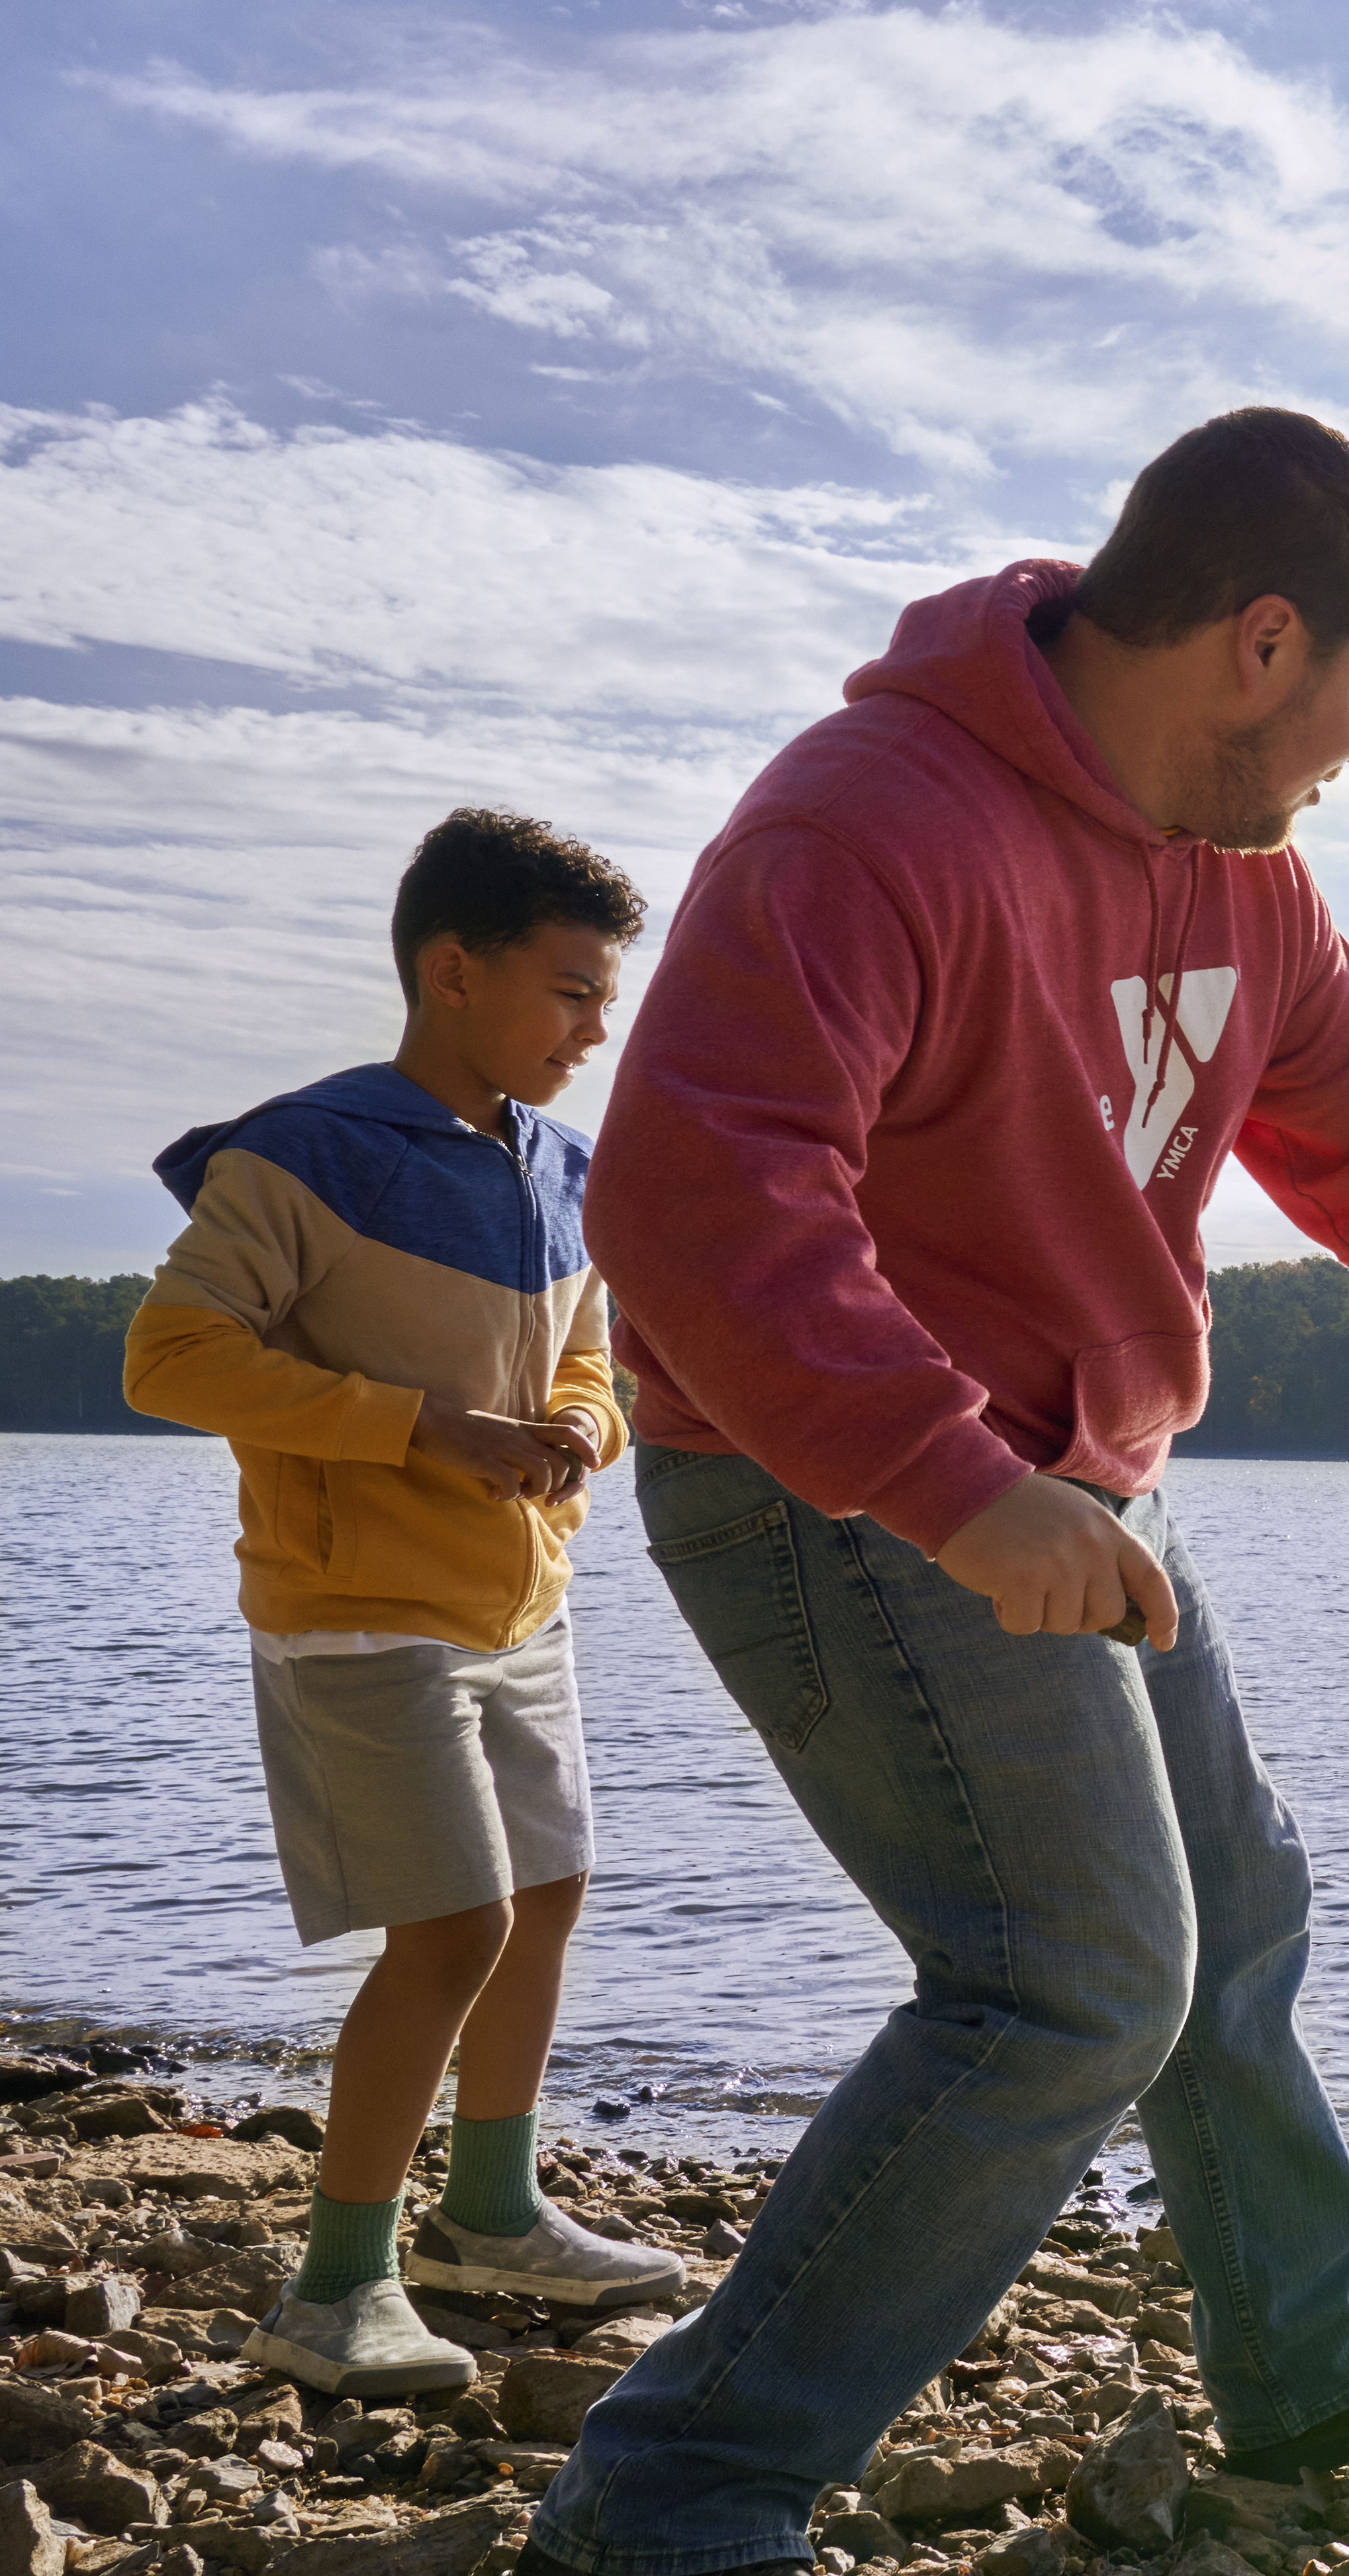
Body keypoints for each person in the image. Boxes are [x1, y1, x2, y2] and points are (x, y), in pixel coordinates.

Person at [532, 407, 1349, 2576]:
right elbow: (689, 1197)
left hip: (1078, 1469)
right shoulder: (873, 824)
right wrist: (955, 1491)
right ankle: (674, 2499)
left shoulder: (1250, 885)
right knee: (1072, 1976)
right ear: (1259, 642)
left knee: (1236, 1920)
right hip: (827, 1478)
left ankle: (1309, 2355)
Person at [124, 807, 683, 2401]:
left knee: (550, 1892)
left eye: (605, 995)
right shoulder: (309, 1149)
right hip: (356, 1604)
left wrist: (591, 1415)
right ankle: (335, 2287)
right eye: (573, 989)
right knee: (455, 1926)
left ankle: (490, 2218)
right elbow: (167, 1356)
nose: (599, 1023)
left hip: (520, 1602)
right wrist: (423, 1424)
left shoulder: (561, 1164)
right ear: (454, 972)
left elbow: (597, 1347)